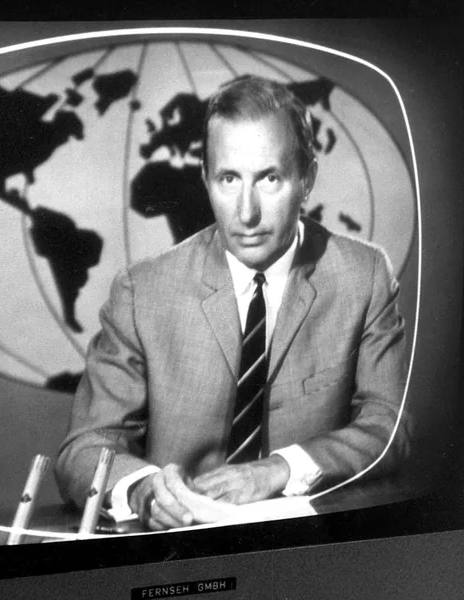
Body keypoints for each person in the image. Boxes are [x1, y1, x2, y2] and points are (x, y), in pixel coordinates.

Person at [55, 75, 409, 531]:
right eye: (228, 179)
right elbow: (84, 448)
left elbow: (388, 426)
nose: (246, 213)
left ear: (307, 179)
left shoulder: (364, 276)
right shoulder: (141, 292)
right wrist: (144, 490)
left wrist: (279, 469)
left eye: (269, 178)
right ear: (205, 179)